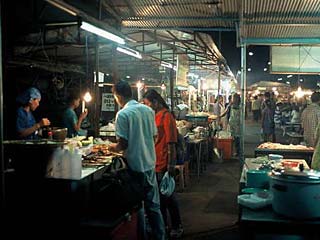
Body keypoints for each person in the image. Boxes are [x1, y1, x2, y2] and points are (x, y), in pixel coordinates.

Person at [108, 81, 165, 240]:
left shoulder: (123, 114)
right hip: (149, 164)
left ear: (118, 96)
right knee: (154, 206)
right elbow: (155, 136)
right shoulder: (148, 110)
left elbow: (123, 144)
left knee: (137, 206)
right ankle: (160, 236)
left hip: (134, 167)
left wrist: (111, 148)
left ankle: (142, 236)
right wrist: (145, 146)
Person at [143, 89, 184, 238]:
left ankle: (176, 225)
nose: (147, 106)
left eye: (148, 103)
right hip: (154, 161)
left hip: (163, 162)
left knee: (168, 196)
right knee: (161, 198)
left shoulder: (167, 116)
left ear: (155, 102)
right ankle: (164, 225)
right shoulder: (154, 115)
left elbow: (171, 143)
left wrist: (171, 164)